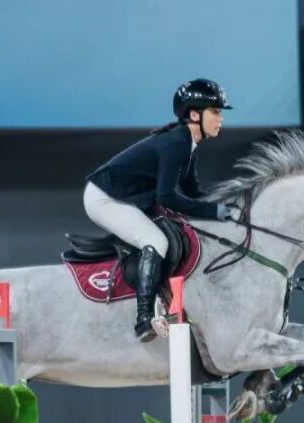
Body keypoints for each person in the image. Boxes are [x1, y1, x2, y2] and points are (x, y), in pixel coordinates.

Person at [84, 78, 234, 341]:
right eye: (216, 112)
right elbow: (167, 196)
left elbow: (194, 192)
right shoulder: (176, 143)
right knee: (156, 240)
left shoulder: (188, 144)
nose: (220, 119)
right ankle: (143, 320)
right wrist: (213, 212)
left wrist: (228, 207)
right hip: (103, 198)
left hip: (125, 197)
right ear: (194, 114)